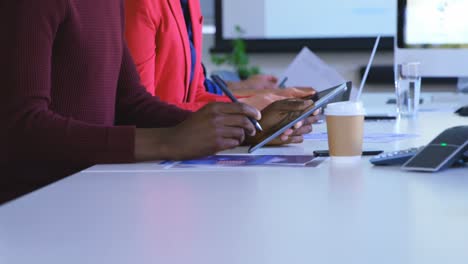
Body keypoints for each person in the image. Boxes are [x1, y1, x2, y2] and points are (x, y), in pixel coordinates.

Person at [0, 0, 316, 204]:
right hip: (35, 211)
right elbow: (21, 128)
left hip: (93, 196)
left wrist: (245, 129)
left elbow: (130, 103)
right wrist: (168, 142)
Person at [124, 0, 315, 111]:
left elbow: (196, 94)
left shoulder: (190, 4)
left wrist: (271, 99)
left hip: (181, 140)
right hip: (160, 149)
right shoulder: (140, 4)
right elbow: (142, 111)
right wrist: (245, 106)